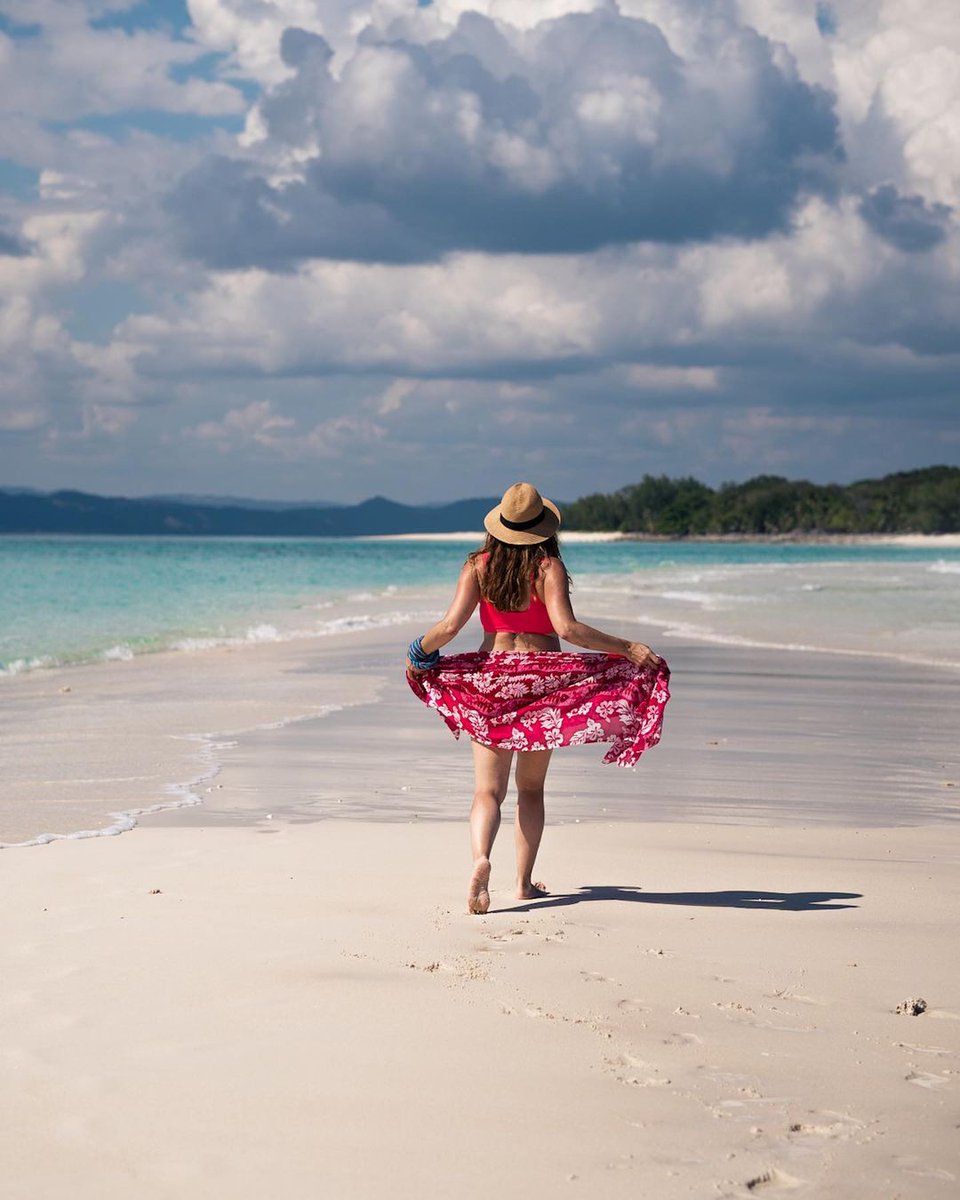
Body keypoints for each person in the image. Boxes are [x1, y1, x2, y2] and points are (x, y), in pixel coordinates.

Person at [406, 482, 669, 915]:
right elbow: (566, 629)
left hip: (491, 678)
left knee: (487, 790)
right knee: (529, 789)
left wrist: (419, 652)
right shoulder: (549, 568)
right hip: (542, 681)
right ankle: (523, 884)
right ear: (543, 529)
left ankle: (480, 859)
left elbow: (450, 626)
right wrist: (626, 647)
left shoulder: (477, 566)